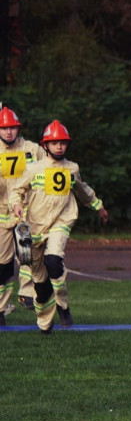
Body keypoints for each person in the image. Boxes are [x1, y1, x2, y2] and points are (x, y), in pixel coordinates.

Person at [9, 120, 108, 332]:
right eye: (54, 143)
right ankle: (45, 322)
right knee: (40, 280)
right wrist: (16, 204)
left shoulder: (72, 168)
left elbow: (82, 190)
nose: (59, 147)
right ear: (45, 146)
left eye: (63, 142)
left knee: (53, 261)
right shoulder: (33, 168)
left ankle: (63, 306)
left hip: (62, 221)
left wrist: (98, 206)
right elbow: (17, 190)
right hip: (35, 226)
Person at [0, 106, 44, 325]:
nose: (9, 132)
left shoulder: (31, 149)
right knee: (2, 265)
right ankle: (0, 308)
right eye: (4, 128)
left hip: (26, 211)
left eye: (12, 128)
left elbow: (49, 166)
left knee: (28, 254)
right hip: (1, 216)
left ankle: (27, 293)